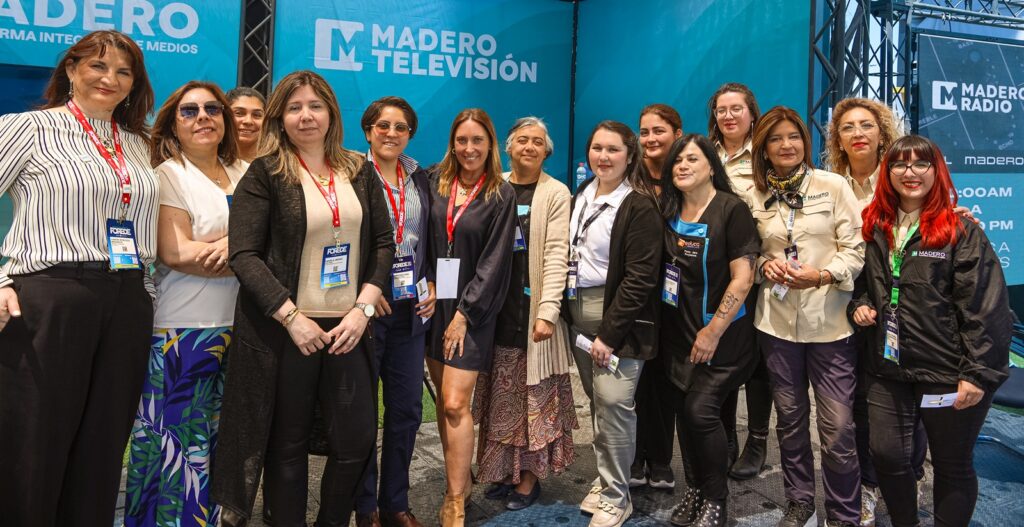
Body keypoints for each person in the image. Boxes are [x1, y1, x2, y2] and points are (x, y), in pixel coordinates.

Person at [211, 70, 394, 527]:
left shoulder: (359, 170)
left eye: (315, 106)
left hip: (348, 328)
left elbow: (383, 243)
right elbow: (244, 254)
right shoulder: (266, 172)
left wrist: (364, 308)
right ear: (281, 118)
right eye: (294, 108)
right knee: (286, 446)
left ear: (331, 113)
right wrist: (291, 317)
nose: (306, 116)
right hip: (286, 332)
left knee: (356, 442)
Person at [0, 30, 157, 526]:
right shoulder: (28, 128)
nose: (110, 78)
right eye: (98, 66)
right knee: (34, 443)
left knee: (103, 446)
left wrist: (145, 294)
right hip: (52, 295)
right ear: (71, 69)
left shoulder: (141, 145)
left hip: (127, 299)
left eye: (124, 72)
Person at [852, 135, 1011, 527]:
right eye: (899, 164)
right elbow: (865, 285)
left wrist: (976, 374)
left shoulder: (960, 230)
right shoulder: (876, 227)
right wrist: (860, 305)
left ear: (936, 171)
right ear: (887, 173)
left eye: (920, 163)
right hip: (888, 365)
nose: (910, 172)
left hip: (948, 369)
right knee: (886, 455)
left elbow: (986, 309)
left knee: (951, 463)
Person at [124, 81, 248, 526]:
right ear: (173, 124)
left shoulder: (245, 172)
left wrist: (229, 248)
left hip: (239, 328)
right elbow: (177, 253)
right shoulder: (167, 175)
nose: (203, 117)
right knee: (175, 448)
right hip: (181, 332)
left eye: (213, 109)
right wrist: (246, 253)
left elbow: (273, 246)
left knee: (217, 443)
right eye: (190, 111)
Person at [748, 107, 864, 527]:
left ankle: (844, 514)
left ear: (805, 142)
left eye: (793, 137)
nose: (786, 145)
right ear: (763, 147)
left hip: (830, 325)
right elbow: (748, 254)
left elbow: (856, 250)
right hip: (776, 325)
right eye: (776, 139)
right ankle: (800, 502)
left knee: (838, 429)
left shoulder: (832, 186)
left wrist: (823, 275)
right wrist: (765, 266)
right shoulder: (754, 195)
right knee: (790, 421)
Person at [825, 97, 926, 527]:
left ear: (882, 131)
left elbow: (932, 218)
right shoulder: (830, 184)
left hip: (902, 307)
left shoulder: (902, 176)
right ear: (838, 139)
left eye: (866, 125)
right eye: (847, 127)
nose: (857, 133)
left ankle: (911, 475)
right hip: (847, 305)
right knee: (860, 405)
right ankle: (866, 486)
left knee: (910, 398)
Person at [474, 117, 578, 511]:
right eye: (522, 140)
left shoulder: (556, 193)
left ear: (546, 151)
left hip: (533, 314)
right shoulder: (493, 185)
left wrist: (548, 311)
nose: (529, 147)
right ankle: (505, 473)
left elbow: (556, 255)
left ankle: (529, 478)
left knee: (535, 401)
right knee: (501, 398)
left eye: (537, 141)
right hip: (497, 313)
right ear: (508, 147)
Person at [659, 135, 760, 527]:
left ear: (711, 167)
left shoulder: (731, 209)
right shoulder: (669, 209)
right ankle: (695, 489)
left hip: (723, 337)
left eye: (692, 159)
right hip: (678, 335)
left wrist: (713, 331)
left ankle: (717, 499)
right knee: (684, 415)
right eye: (677, 161)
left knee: (700, 412)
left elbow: (743, 278)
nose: (682, 166)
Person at [567, 121, 662, 527]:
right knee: (597, 403)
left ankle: (616, 497)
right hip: (577, 311)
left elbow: (640, 278)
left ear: (629, 155)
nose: (603, 157)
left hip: (616, 318)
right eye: (597, 148)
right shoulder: (581, 195)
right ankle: (607, 478)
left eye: (613, 150)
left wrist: (609, 334)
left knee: (614, 404)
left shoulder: (638, 205)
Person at [426, 108, 517, 527]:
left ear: (490, 144)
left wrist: (465, 314)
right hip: (434, 306)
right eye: (461, 140)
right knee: (443, 402)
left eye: (477, 140)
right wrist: (427, 283)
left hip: (472, 310)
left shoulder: (500, 193)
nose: (468, 148)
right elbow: (422, 239)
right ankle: (457, 476)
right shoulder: (434, 180)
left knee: (455, 402)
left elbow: (495, 262)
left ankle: (455, 500)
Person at [353, 96, 436, 527]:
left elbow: (434, 237)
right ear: (368, 131)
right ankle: (365, 507)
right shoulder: (351, 173)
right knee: (363, 413)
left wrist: (436, 284)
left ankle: (395, 505)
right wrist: (366, 290)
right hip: (366, 309)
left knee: (406, 411)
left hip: (411, 309)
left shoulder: (420, 177)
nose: (391, 133)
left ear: (410, 134)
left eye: (400, 127)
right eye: (383, 126)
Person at [706, 82, 773, 481]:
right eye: (721, 110)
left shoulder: (766, 155)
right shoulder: (706, 154)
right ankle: (726, 436)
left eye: (736, 109)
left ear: (752, 113)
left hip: (761, 273)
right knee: (724, 357)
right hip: (716, 274)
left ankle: (758, 441)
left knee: (759, 363)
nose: (728, 116)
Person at [631, 103, 683, 490]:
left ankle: (662, 460)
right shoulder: (628, 176)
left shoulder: (687, 175)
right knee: (633, 380)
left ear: (677, 134)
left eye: (659, 131)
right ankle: (633, 458)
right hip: (634, 292)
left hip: (676, 296)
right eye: (645, 131)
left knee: (666, 379)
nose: (650, 139)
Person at [226, 86, 266, 163]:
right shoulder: (209, 161)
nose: (248, 121)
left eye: (257, 115)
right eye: (239, 113)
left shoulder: (278, 164)